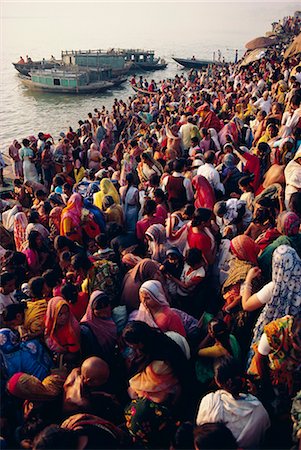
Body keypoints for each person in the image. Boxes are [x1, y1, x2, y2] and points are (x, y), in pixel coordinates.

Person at [196, 356, 270, 449]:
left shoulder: (209, 401)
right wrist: (256, 397)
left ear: (217, 381)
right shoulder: (259, 410)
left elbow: (201, 436)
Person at [80, 291, 117, 361]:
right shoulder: (85, 329)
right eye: (99, 307)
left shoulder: (110, 319)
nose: (104, 310)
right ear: (91, 309)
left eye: (106, 305)